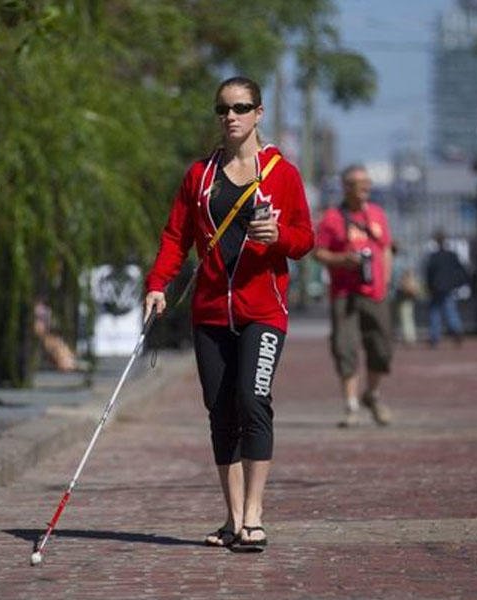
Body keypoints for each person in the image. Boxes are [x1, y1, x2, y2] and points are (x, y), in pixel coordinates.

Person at [143, 76, 314, 552]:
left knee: (253, 399)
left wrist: (276, 238)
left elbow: (305, 240)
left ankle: (255, 516)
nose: (231, 117)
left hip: (264, 310)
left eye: (241, 107)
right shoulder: (199, 175)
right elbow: (176, 236)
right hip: (212, 312)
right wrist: (158, 285)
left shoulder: (283, 173)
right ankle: (233, 517)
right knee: (220, 411)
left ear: (259, 113)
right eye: (223, 109)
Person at [314, 165, 394, 428]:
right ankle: (351, 405)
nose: (365, 189)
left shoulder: (378, 214)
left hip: (376, 293)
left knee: (381, 348)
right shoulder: (332, 218)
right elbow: (319, 252)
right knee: (345, 347)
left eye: (367, 184)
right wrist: (342, 260)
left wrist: (386, 279)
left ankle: (371, 394)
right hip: (344, 293)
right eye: (360, 184)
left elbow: (386, 250)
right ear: (346, 187)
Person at [424, 229, 467, 347]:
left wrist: (429, 286)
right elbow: (461, 270)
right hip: (448, 287)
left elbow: (429, 273)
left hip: (436, 287)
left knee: (435, 312)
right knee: (450, 309)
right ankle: (456, 330)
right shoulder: (451, 255)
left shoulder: (433, 256)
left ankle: (435, 337)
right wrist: (457, 282)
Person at [396, 268, 420, 345]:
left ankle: (409, 338)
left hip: (403, 296)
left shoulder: (400, 264)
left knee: (406, 317)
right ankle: (410, 337)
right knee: (408, 317)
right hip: (408, 296)